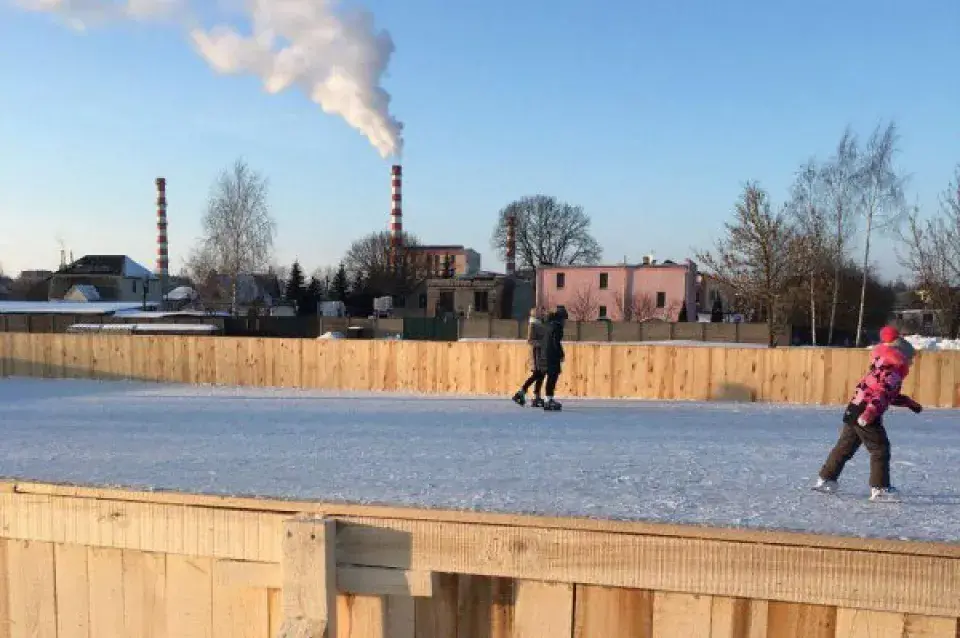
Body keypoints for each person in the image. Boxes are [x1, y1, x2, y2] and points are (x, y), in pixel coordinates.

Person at [814, 326, 923, 500]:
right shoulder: (892, 372)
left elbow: (886, 394)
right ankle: (880, 488)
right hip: (866, 412)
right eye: (910, 359)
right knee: (880, 448)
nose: (911, 363)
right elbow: (880, 394)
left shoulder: (880, 366)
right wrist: (870, 414)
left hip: (854, 409)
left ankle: (826, 479)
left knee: (845, 447)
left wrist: (907, 402)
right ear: (900, 356)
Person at [512, 308, 547, 407]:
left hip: (542, 353)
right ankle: (521, 392)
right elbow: (530, 340)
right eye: (542, 313)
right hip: (536, 353)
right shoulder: (533, 325)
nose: (544, 315)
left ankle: (536, 396)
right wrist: (541, 344)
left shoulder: (542, 325)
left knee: (541, 374)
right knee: (537, 374)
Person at [539, 309, 566, 411]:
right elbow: (556, 342)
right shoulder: (557, 327)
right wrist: (560, 354)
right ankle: (548, 399)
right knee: (553, 376)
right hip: (552, 355)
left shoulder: (547, 325)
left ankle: (548, 399)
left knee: (550, 376)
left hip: (545, 353)